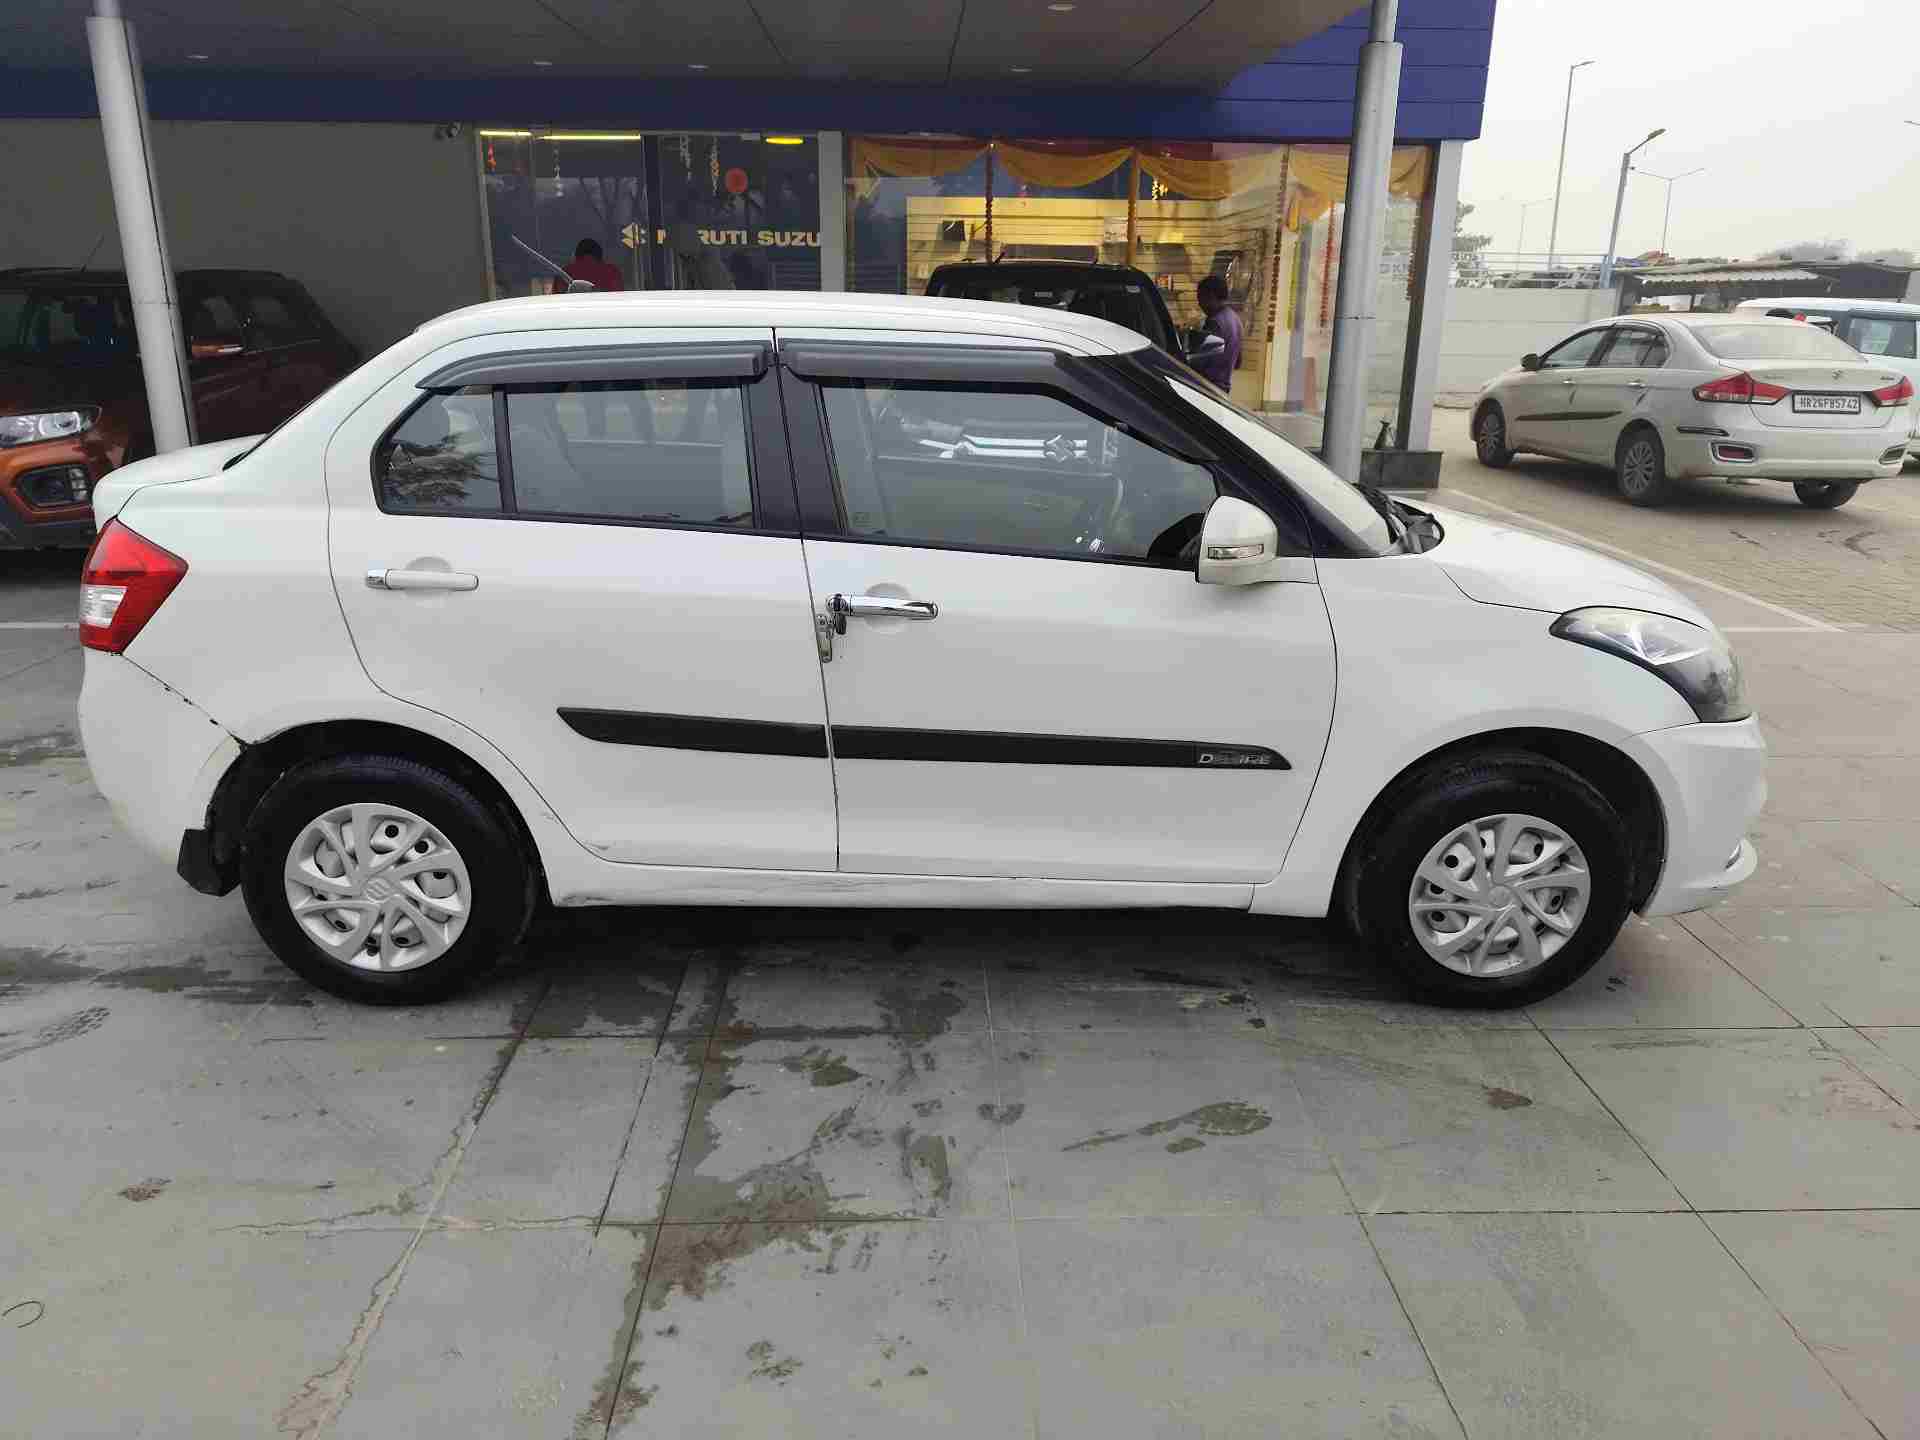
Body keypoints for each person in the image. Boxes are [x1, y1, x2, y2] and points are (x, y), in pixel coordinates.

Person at [1193, 273, 1242, 390]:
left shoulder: (1214, 323)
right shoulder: (1235, 318)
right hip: (1223, 388)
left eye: (1200, 298)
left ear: (1211, 295)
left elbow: (1201, 363)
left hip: (1208, 387)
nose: (1199, 304)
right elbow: (1238, 362)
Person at [553, 238, 623, 294]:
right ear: (600, 254)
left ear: (576, 254)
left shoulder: (565, 272)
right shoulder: (612, 271)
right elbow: (619, 295)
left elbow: (557, 297)